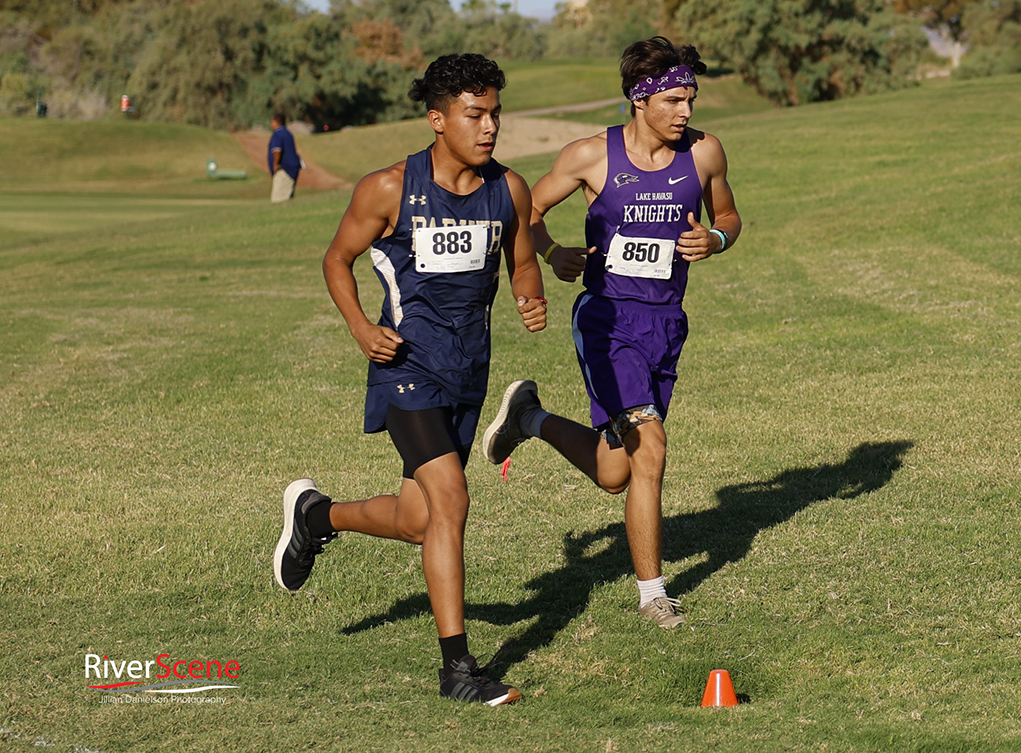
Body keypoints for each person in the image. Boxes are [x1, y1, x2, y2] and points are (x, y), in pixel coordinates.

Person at [272, 53, 547, 705]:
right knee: (451, 498)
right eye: (474, 115)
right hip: (404, 368)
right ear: (436, 118)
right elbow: (336, 260)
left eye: (495, 114)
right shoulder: (388, 188)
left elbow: (522, 259)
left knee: (421, 518)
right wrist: (361, 329)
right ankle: (458, 671)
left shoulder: (507, 189)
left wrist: (529, 294)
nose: (489, 127)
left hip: (468, 372)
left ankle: (317, 516)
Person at [483, 36, 741, 629]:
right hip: (607, 320)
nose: (686, 113)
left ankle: (530, 419)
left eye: (691, 99)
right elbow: (524, 212)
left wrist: (718, 238)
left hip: (666, 322)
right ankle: (654, 595)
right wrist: (550, 253)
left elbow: (727, 214)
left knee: (615, 472)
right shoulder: (589, 157)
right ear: (638, 99)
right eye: (674, 100)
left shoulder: (704, 154)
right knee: (651, 449)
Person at [268, 113, 302, 202]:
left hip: (284, 170)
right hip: (292, 169)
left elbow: (277, 151)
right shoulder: (287, 133)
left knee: (279, 200)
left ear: (276, 122)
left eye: (272, 121)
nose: (271, 124)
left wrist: (275, 164)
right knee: (287, 198)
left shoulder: (278, 134)